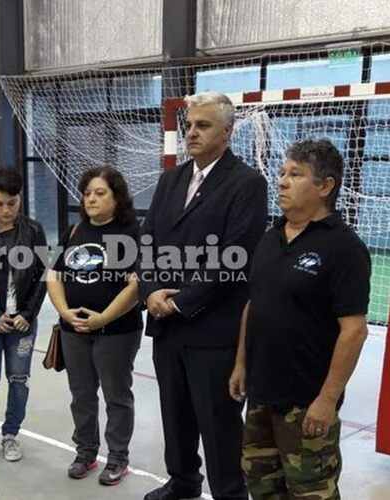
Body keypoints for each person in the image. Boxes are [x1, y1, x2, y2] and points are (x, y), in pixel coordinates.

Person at [140, 92, 268, 500]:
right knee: (175, 415)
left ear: (227, 132)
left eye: (203, 126)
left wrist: (179, 301)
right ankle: (183, 481)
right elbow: (146, 243)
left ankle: (230, 493)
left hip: (213, 329)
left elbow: (234, 259)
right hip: (165, 325)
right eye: (189, 125)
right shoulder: (171, 179)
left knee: (218, 425)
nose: (191, 133)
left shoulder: (247, 184)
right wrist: (150, 293)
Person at [229, 139, 371, 500]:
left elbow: (353, 331)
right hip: (261, 394)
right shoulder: (269, 238)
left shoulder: (343, 248)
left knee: (310, 491)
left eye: (295, 174)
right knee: (261, 485)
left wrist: (327, 398)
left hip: (306, 402)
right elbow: (253, 304)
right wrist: (241, 363)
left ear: (325, 186)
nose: (282, 182)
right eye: (281, 173)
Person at [46, 166, 142, 486]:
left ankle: (117, 458)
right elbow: (55, 275)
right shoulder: (75, 231)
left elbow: (134, 285)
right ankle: (85, 451)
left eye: (100, 193)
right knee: (82, 394)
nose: (91, 199)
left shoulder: (130, 233)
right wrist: (64, 312)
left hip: (116, 331)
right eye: (87, 193)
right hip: (74, 331)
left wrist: (103, 318)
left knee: (116, 395)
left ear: (117, 198)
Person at [0, 166, 47, 468]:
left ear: (20, 198)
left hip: (22, 323)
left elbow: (44, 275)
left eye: (11, 203)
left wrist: (28, 314)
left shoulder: (33, 230)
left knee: (19, 379)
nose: (5, 210)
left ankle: (11, 434)